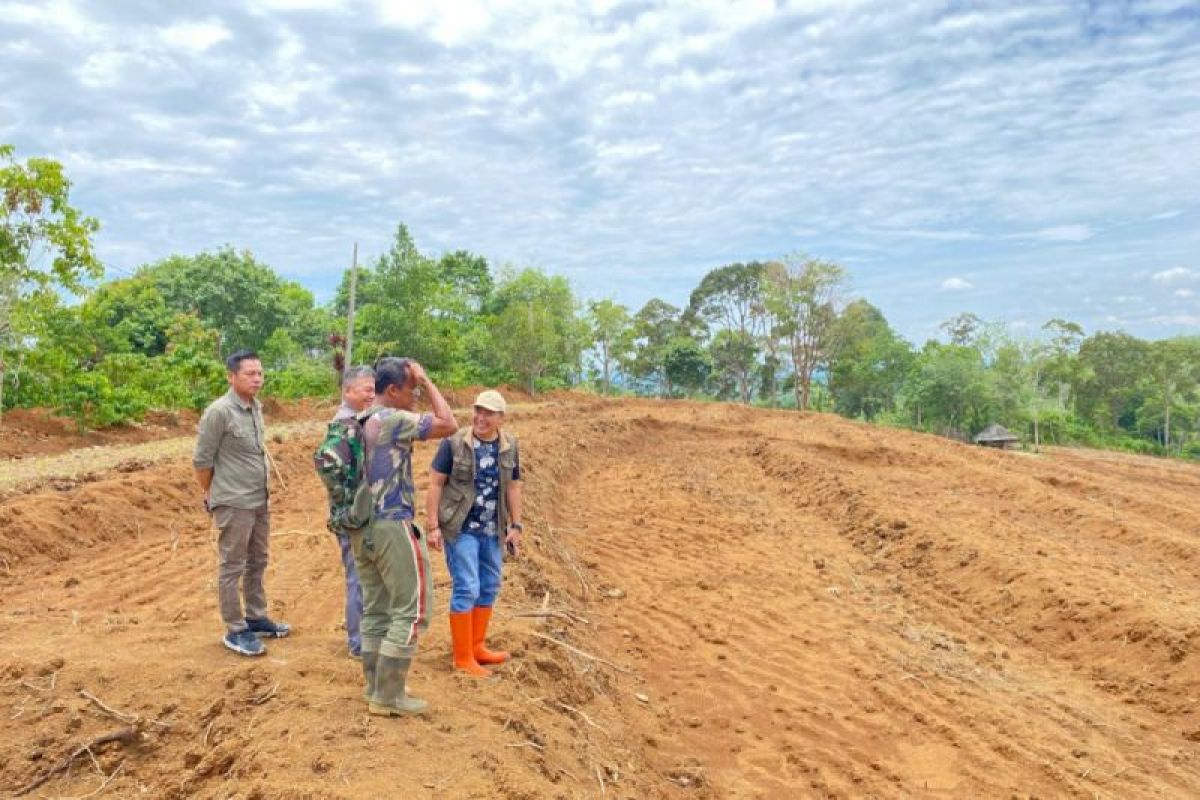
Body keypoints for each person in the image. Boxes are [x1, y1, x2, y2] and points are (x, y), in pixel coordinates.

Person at [356, 357, 456, 716]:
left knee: (376, 608)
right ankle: (390, 695)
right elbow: (449, 423)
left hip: (362, 525)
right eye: (411, 389)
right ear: (393, 390)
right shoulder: (393, 419)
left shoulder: (360, 419)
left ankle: (375, 687)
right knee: (411, 610)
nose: (415, 396)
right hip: (392, 523)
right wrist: (426, 379)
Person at [193, 350, 290, 657]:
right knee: (232, 564)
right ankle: (236, 629)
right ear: (231, 376)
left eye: (260, 373)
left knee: (258, 559)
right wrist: (212, 493)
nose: (257, 379)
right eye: (250, 373)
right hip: (233, 501)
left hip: (258, 498)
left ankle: (256, 617)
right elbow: (202, 460)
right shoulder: (219, 412)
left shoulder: (254, 407)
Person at [425, 389, 523, 678]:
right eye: (478, 411)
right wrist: (433, 526)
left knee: (489, 585)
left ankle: (477, 647)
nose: (480, 417)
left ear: (501, 418)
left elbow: (513, 487)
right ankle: (463, 657)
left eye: (488, 413)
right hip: (460, 528)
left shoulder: (509, 447)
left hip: (493, 530)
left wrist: (516, 526)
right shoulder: (454, 444)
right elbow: (435, 484)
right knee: (467, 587)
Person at [320, 365, 376, 659]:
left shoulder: (360, 421)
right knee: (358, 576)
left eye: (373, 389)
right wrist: (346, 502)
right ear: (348, 391)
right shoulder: (345, 426)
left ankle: (365, 637)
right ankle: (359, 642)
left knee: (365, 575)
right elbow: (326, 463)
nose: (371, 395)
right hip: (353, 516)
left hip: (358, 513)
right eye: (366, 389)